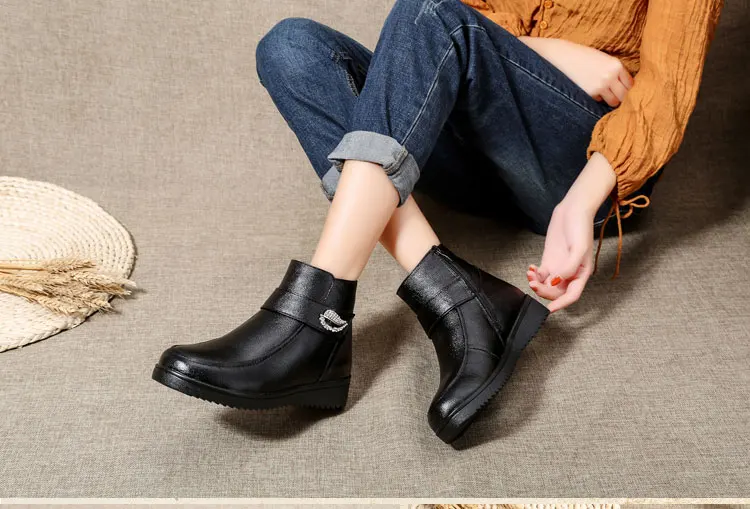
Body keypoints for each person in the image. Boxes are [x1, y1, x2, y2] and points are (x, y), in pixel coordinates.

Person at [151, 0, 723, 444]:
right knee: (291, 48)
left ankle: (316, 320)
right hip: (471, 151)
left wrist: (579, 205)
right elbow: (463, 27)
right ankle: (459, 297)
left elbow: (665, 94)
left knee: (427, 11)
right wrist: (549, 50)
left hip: (577, 165)